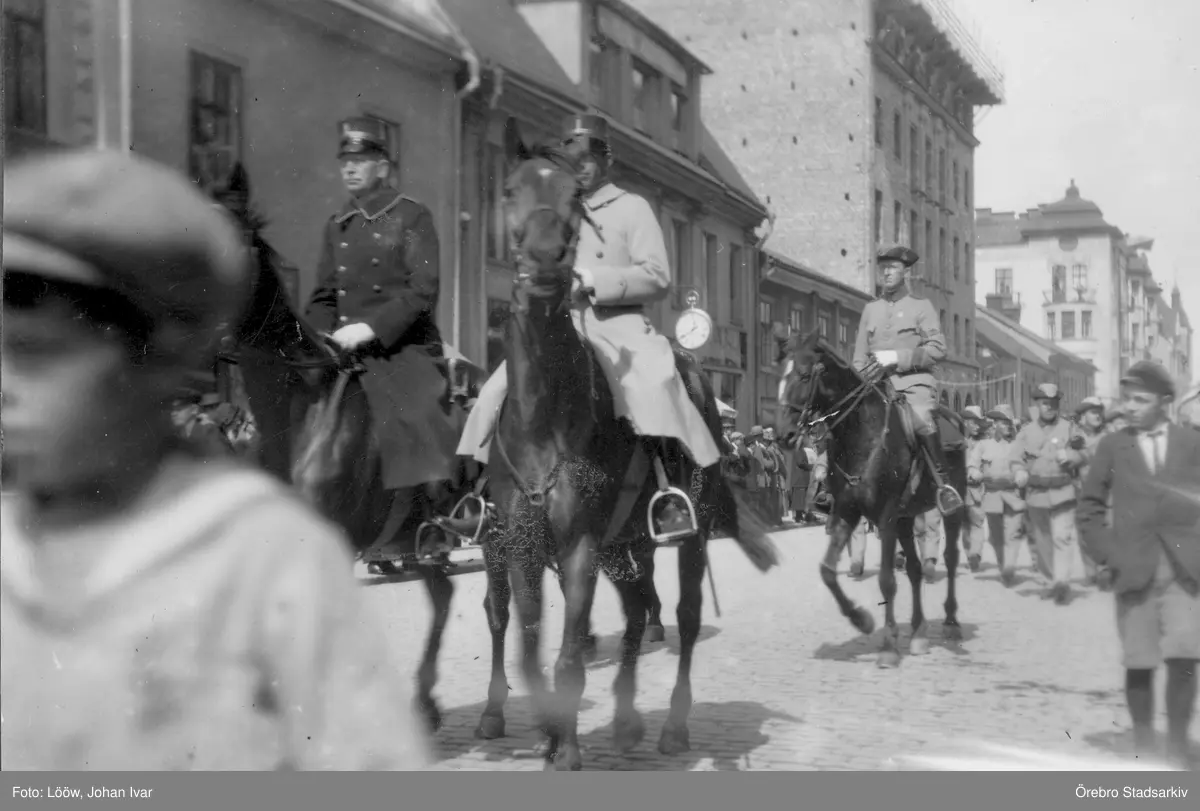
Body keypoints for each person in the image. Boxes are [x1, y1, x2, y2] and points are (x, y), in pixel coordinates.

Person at [0, 149, 431, 771]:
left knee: (426, 408)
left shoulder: (268, 562)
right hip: (325, 335)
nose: (6, 384)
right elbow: (326, 294)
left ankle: (433, 495)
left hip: (389, 346)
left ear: (157, 357)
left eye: (38, 353)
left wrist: (363, 333)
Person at [456, 113, 721, 537]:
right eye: (572, 157)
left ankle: (668, 493)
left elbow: (657, 276)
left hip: (619, 325)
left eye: (590, 156)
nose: (580, 166)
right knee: (496, 390)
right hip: (563, 323)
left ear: (606, 160)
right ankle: (482, 495)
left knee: (651, 386)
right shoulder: (555, 202)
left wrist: (597, 281)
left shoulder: (632, 208)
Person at [306, 116, 461, 560]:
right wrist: (320, 334)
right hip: (344, 348)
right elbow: (321, 294)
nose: (350, 169)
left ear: (383, 166)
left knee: (417, 414)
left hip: (402, 345)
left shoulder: (412, 215)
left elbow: (423, 289)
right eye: (345, 161)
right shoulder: (338, 225)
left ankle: (431, 521)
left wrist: (370, 327)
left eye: (361, 160)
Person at [1077, 361, 1200, 769]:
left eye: (1140, 401)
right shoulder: (1113, 446)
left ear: (1165, 403)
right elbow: (1089, 506)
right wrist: (1108, 554)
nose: (1129, 407)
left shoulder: (1191, 442)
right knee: (1139, 660)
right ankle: (1145, 749)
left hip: (1184, 572)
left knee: (1184, 656)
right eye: (1126, 399)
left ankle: (1179, 749)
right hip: (1133, 570)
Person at [853, 245, 963, 515]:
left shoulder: (920, 307)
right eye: (883, 268)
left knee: (922, 419)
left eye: (893, 268)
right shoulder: (871, 310)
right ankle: (834, 487)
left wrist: (897, 357)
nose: (886, 273)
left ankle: (943, 486)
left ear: (905, 272)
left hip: (913, 386)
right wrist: (861, 378)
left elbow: (938, 349)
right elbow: (858, 357)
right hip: (876, 387)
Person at [1011, 383, 1087, 605]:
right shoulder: (1026, 432)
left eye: (1053, 403)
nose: (1050, 407)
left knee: (1062, 537)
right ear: (1037, 405)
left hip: (1063, 491)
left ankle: (1061, 583)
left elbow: (1083, 452)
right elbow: (1015, 457)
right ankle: (1048, 580)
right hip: (1036, 494)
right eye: (1045, 403)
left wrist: (1071, 456)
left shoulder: (1070, 428)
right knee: (1043, 540)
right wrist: (1018, 471)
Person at [969, 404, 1028, 587]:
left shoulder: (1019, 445)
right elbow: (972, 464)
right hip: (992, 495)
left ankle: (1009, 566)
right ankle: (1004, 566)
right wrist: (974, 473)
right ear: (994, 425)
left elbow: (1027, 464)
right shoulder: (983, 445)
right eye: (1003, 423)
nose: (1007, 427)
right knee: (996, 537)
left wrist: (1023, 475)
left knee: (1013, 533)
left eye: (1009, 423)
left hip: (1013, 493)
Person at [1075, 396, 1110, 589]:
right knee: (1084, 531)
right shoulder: (1075, 437)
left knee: (1106, 527)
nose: (1098, 416)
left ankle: (1104, 568)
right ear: (1082, 416)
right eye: (1093, 412)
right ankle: (1090, 571)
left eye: (1099, 412)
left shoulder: (1108, 435)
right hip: (1081, 489)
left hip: (1107, 491)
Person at [960, 405, 990, 571]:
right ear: (965, 422)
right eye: (974, 422)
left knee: (977, 523)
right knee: (965, 526)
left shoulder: (985, 443)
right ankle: (970, 553)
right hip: (961, 490)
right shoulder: (957, 442)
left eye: (980, 422)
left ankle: (975, 554)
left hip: (977, 490)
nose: (978, 426)